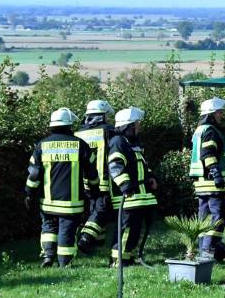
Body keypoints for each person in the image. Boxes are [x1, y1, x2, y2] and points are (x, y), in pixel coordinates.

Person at [24, 108, 98, 267]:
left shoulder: (42, 145)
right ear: (69, 125)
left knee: (48, 227)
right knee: (67, 230)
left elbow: (34, 174)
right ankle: (65, 262)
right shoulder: (80, 145)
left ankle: (48, 256)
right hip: (71, 203)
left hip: (48, 201)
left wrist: (29, 193)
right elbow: (92, 172)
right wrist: (94, 188)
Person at [107, 107, 158, 266]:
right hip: (128, 197)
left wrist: (151, 177)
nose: (139, 127)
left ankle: (128, 257)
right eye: (137, 124)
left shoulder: (133, 143)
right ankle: (117, 260)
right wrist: (125, 186)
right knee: (126, 230)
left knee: (135, 230)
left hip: (139, 197)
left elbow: (141, 166)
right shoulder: (118, 142)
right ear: (128, 126)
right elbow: (115, 165)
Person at [188, 98, 225, 262]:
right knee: (218, 216)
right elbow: (207, 153)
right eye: (219, 112)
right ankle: (209, 248)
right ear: (212, 114)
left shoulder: (200, 129)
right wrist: (216, 173)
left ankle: (203, 248)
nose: (222, 115)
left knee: (205, 217)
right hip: (212, 183)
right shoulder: (211, 130)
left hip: (201, 182)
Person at [75, 100, 115, 255]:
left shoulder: (78, 133)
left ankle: (97, 244)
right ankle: (86, 238)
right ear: (102, 116)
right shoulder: (108, 131)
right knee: (101, 211)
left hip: (85, 181)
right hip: (104, 180)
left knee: (94, 209)